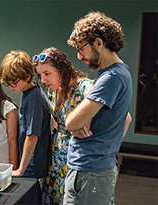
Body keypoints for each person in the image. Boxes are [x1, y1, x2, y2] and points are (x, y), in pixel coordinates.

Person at [63, 11, 132, 205]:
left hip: (90, 171)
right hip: (94, 169)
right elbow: (127, 118)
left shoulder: (111, 77)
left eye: (81, 48)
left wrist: (80, 121)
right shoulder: (116, 73)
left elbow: (71, 122)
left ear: (99, 43)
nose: (79, 55)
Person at [33, 47, 93, 205]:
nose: (44, 80)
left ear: (62, 68)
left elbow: (123, 117)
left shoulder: (84, 88)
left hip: (77, 158)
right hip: (56, 158)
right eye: (40, 75)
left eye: (47, 73)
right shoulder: (54, 90)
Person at [0, 50, 50, 184]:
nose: (11, 86)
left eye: (14, 82)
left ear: (27, 76)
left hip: (33, 169)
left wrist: (21, 169)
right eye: (7, 83)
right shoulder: (26, 92)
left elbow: (32, 137)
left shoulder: (34, 99)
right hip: (29, 165)